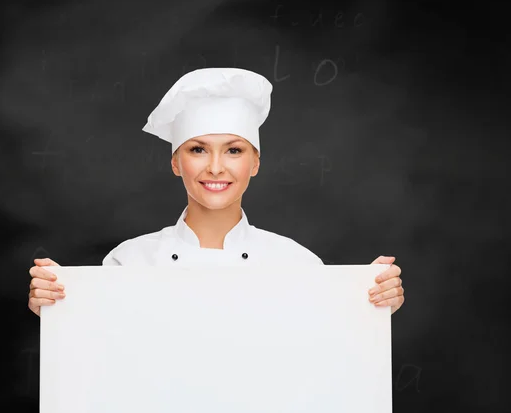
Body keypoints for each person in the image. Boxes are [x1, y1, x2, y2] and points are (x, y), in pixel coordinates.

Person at [28, 67, 405, 317]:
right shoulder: (129, 262)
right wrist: (58, 304)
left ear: (255, 164)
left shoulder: (296, 263)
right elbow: (98, 358)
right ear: (176, 163)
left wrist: (370, 300)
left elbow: (329, 356)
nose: (215, 167)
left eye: (234, 150)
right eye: (197, 149)